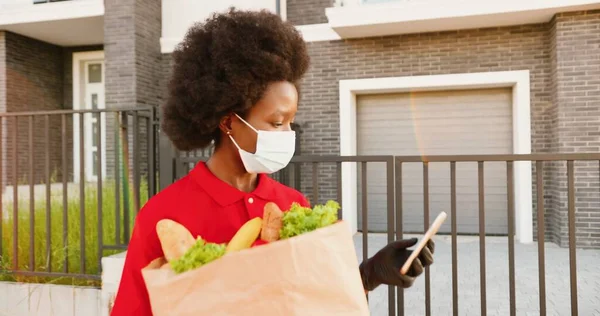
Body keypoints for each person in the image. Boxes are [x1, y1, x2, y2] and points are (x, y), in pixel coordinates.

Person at [110, 8, 435, 315]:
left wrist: (369, 274)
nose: (288, 133)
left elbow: (319, 297)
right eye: (277, 122)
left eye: (291, 121)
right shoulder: (163, 216)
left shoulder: (293, 205)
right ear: (227, 122)